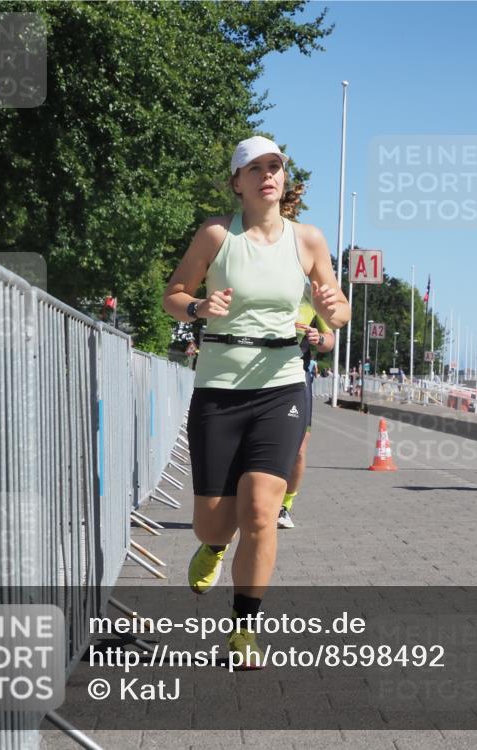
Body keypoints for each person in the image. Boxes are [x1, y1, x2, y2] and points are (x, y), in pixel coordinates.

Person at [162, 135, 350, 668]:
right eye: (256, 168)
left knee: (263, 513)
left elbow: (336, 316)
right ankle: (214, 546)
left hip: (282, 385)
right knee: (214, 523)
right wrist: (199, 305)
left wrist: (333, 313)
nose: (269, 175)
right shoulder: (217, 235)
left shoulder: (308, 240)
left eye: (276, 166)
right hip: (219, 389)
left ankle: (244, 630)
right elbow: (172, 295)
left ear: (284, 180)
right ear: (237, 181)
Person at [279, 282, 335, 529]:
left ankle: (284, 506)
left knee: (299, 447)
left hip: (296, 374)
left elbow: (329, 341)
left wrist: (318, 338)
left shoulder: (310, 292)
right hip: (257, 374)